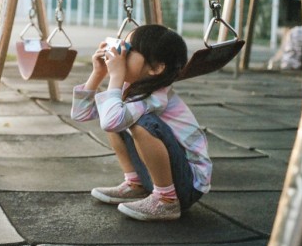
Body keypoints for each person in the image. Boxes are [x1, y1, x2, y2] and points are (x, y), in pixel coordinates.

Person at [71, 25, 210, 221]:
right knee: (113, 113)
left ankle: (166, 200)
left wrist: (116, 76)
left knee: (139, 122)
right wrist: (98, 73)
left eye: (129, 50)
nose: (121, 54)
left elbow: (111, 121)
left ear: (155, 68)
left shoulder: (156, 98)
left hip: (188, 184)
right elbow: (81, 114)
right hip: (169, 176)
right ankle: (136, 184)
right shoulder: (132, 89)